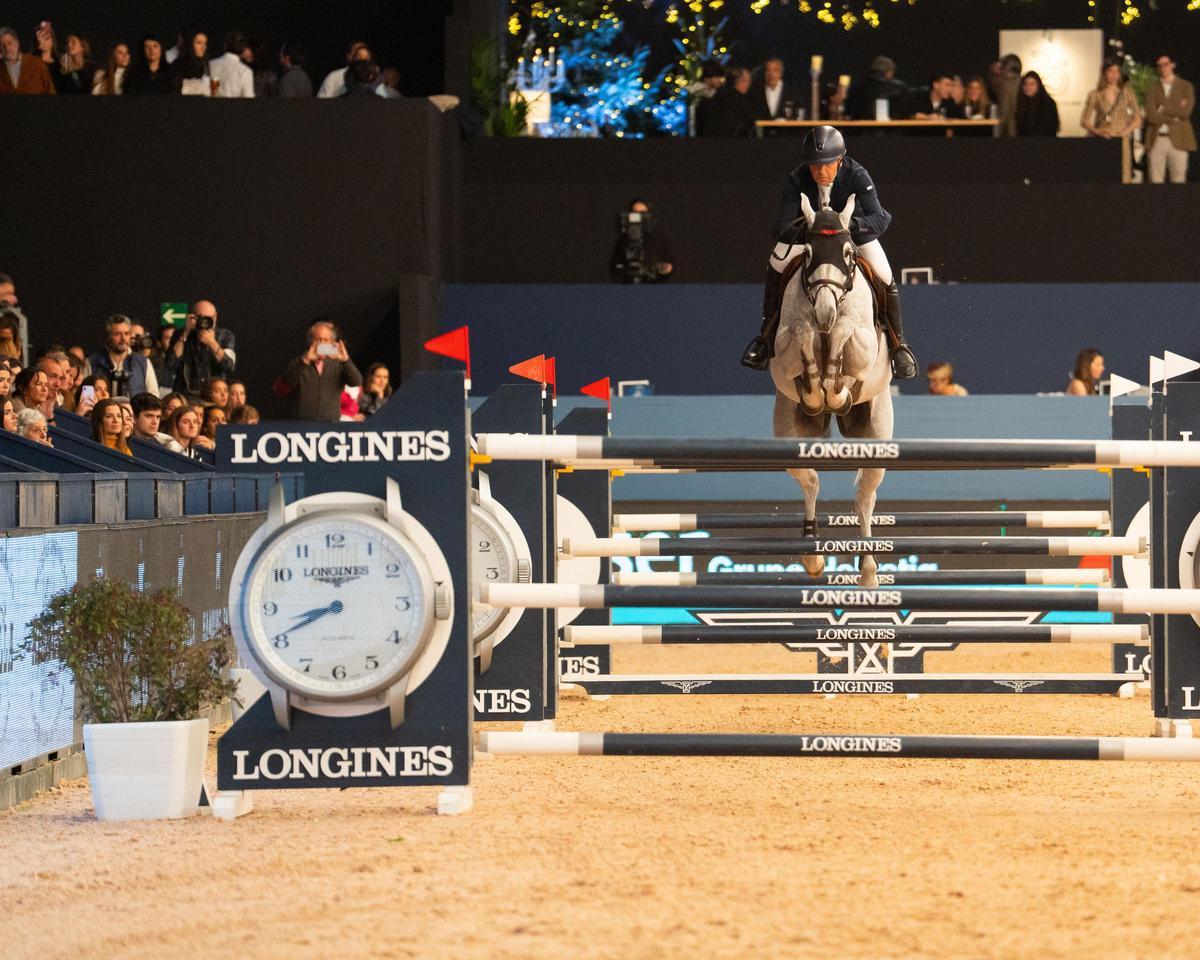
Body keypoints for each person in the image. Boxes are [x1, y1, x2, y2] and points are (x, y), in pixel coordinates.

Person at [741, 125, 917, 379]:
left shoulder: (857, 175)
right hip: (810, 238)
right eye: (815, 165)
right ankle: (765, 337)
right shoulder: (796, 178)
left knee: (884, 272)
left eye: (827, 164)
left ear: (840, 160)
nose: (821, 172)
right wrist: (814, 232)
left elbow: (879, 218)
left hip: (851, 238)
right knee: (776, 264)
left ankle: (899, 345)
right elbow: (781, 227)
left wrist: (850, 226)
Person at [278, 319, 362, 420]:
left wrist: (346, 360)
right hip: (301, 425)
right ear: (310, 342)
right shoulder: (299, 362)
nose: (322, 343)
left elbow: (356, 381)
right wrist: (304, 361)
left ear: (332, 343)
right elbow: (286, 384)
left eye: (326, 340)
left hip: (330, 424)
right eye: (318, 339)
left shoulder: (339, 363)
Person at [1081, 62, 1142, 185]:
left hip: (1122, 140)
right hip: (1104, 138)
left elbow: (1138, 118)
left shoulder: (1127, 92)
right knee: (1105, 175)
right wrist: (1097, 131)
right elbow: (1084, 120)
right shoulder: (1095, 94)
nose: (1114, 75)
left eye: (1117, 71)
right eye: (1110, 71)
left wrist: (1125, 132)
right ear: (1104, 73)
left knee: (1124, 175)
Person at [165, 300, 236, 396]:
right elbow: (170, 364)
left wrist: (212, 343)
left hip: (214, 396)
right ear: (192, 317)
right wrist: (185, 334)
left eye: (208, 318)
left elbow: (229, 367)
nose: (204, 321)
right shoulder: (180, 334)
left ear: (215, 317)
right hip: (186, 395)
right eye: (200, 317)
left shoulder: (225, 336)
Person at [1144, 54, 1196, 185]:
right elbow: (1151, 116)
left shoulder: (1185, 86)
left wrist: (1162, 108)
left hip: (1179, 139)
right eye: (1159, 65)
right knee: (1155, 181)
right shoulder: (1152, 88)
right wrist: (1174, 117)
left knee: (1178, 181)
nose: (1162, 68)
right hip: (1156, 139)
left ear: (1172, 64)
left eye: (1165, 64)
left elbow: (1185, 112)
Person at [88, 314, 158, 398]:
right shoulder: (92, 362)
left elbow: (154, 396)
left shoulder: (143, 362)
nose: (123, 338)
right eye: (117, 334)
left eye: (126, 333)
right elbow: (87, 397)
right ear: (108, 336)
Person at [610, 197, 675, 282]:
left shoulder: (659, 237)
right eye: (635, 213)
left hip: (655, 287)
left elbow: (671, 263)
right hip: (629, 287)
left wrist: (666, 268)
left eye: (642, 213)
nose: (639, 217)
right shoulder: (623, 239)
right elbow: (614, 266)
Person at [696, 67, 756, 137]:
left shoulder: (717, 95)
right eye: (748, 80)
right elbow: (752, 119)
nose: (749, 84)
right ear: (741, 81)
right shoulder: (737, 99)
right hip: (728, 141)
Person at [847, 55, 909, 120]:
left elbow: (847, 112)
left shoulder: (856, 85)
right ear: (888, 72)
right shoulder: (900, 87)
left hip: (858, 128)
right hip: (890, 128)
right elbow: (905, 113)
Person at [0, 25, 55, 94]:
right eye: (2, 45)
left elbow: (50, 90)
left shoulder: (37, 63)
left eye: (9, 43)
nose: (7, 48)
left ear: (17, 43)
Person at [208, 30, 254, 98]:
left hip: (213, 107)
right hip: (235, 108)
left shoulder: (212, 65)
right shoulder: (245, 71)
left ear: (225, 45)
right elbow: (248, 99)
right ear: (243, 48)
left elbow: (213, 93)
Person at [1015, 71, 1059, 138]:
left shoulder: (1048, 103)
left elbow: (1049, 127)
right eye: (1025, 84)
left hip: (1044, 143)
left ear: (1038, 85)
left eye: (1032, 84)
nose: (1028, 87)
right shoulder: (1021, 103)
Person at [989, 54, 1022, 138]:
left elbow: (1005, 110)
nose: (1000, 70)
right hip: (1020, 132)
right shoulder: (1023, 83)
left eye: (1002, 67)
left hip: (1009, 132)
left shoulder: (1006, 85)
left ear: (1007, 68)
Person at [174, 31, 212, 96]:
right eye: (199, 43)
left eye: (205, 43)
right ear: (190, 44)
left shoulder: (205, 64)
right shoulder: (179, 64)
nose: (203, 47)